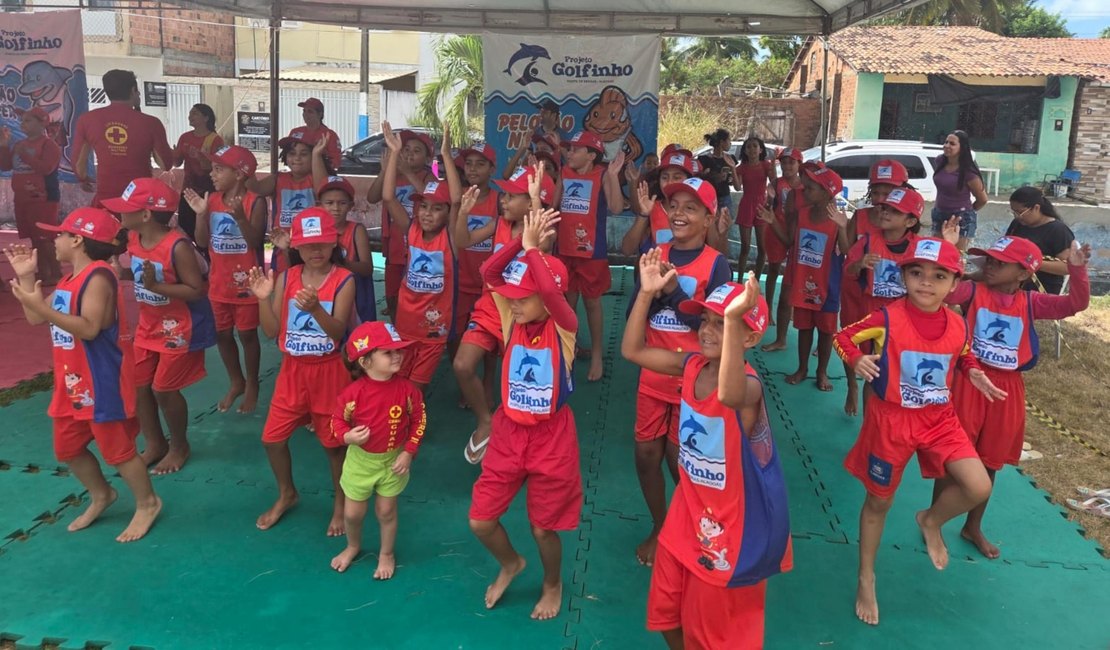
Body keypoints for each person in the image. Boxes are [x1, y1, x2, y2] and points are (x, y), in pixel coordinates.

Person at [833, 237, 1004, 626]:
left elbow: (963, 353)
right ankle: (866, 577)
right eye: (916, 273)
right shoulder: (886, 317)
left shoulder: (958, 323)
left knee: (979, 486)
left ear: (954, 283)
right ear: (904, 276)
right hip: (891, 422)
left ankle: (930, 520)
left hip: (940, 419)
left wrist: (973, 372)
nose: (926, 282)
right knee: (879, 502)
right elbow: (843, 338)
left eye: (939, 276)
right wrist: (856, 359)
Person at [623, 264, 792, 650]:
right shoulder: (691, 365)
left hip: (731, 529)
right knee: (665, 613)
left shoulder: (749, 387)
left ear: (751, 337)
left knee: (711, 634)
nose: (707, 330)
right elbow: (633, 350)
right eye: (705, 320)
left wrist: (732, 321)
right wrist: (646, 292)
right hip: (687, 513)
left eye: (722, 323)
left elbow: (729, 395)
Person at [4, 208, 162, 542]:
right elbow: (36, 318)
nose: (55, 240)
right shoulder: (68, 280)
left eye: (60, 234)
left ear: (77, 240)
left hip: (100, 380)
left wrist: (42, 307)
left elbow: (90, 328)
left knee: (118, 451)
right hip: (72, 381)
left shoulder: (99, 276)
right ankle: (102, 494)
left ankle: (148, 502)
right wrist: (28, 277)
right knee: (67, 449)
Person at [939, 236, 1090, 559]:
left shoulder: (1031, 302)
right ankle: (935, 522)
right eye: (990, 260)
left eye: (1000, 262)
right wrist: (949, 249)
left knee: (990, 459)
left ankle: (972, 526)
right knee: (953, 457)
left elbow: (1075, 305)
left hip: (1006, 389)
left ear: (1023, 273)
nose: (991, 266)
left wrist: (1077, 271)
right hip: (969, 379)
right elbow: (944, 290)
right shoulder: (972, 291)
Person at [469, 209, 582, 621]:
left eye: (523, 297)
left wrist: (534, 252)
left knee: (543, 527)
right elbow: (489, 272)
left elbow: (551, 294)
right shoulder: (510, 318)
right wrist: (522, 243)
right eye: (512, 296)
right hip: (508, 433)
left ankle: (552, 583)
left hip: (552, 438)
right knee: (481, 521)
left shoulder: (563, 327)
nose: (513, 302)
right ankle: (511, 563)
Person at [623, 177, 731, 568]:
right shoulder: (655, 252)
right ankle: (660, 524)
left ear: (708, 218)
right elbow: (636, 314)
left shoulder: (717, 264)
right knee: (645, 455)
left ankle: (693, 526)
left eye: (691, 207)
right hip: (653, 374)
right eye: (674, 205)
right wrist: (651, 291)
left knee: (679, 460)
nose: (679, 213)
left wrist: (671, 292)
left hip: (693, 381)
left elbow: (712, 329)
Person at [248, 208, 355, 534]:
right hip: (292, 372)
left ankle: (340, 504)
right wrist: (262, 299)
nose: (316, 250)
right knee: (272, 439)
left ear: (334, 242)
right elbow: (271, 331)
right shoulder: (288, 277)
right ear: (296, 246)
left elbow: (338, 332)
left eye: (322, 243)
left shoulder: (343, 279)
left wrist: (316, 309)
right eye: (308, 245)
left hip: (329, 371)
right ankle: (287, 493)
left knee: (334, 447)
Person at [104, 178, 216, 476]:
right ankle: (155, 444)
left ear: (145, 215)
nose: (120, 213)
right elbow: (144, 274)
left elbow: (196, 290)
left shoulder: (177, 246)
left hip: (182, 327)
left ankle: (179, 446)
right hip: (149, 325)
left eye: (126, 208)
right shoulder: (134, 238)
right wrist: (124, 273)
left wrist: (157, 286)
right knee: (140, 386)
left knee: (163, 389)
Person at [456, 165, 555, 464]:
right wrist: (462, 213)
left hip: (523, 315)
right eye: (504, 195)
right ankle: (486, 421)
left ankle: (517, 444)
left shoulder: (544, 230)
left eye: (512, 196)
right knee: (462, 365)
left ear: (533, 201)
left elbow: (542, 245)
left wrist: (536, 201)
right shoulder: (499, 223)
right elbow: (463, 241)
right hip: (489, 308)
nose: (503, 200)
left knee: (519, 387)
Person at [329, 320, 427, 579]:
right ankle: (353, 546)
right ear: (365, 361)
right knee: (353, 513)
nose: (397, 356)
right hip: (360, 462)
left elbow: (419, 420)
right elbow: (336, 421)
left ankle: (386, 553)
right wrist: (347, 436)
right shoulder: (352, 394)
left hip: (394, 462)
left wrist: (409, 452)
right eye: (388, 352)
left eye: (398, 350)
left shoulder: (407, 390)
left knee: (386, 511)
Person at [185, 145, 268, 414]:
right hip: (219, 283)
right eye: (213, 168)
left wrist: (241, 218)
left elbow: (255, 241)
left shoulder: (255, 201)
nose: (212, 174)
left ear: (239, 174)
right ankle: (236, 381)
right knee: (222, 334)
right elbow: (201, 241)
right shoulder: (211, 200)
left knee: (247, 335)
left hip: (247, 283)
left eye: (219, 169)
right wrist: (201, 214)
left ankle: (252, 383)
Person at [382, 124, 458, 392]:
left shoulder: (451, 238)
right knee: (399, 381)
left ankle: (413, 419)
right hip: (406, 323)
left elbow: (456, 200)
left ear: (447, 214)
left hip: (434, 328)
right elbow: (388, 197)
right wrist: (394, 154)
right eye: (423, 206)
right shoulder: (411, 228)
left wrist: (446, 155)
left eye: (436, 209)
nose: (427, 213)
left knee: (416, 387)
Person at [761, 162, 849, 392]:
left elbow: (846, 250)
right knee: (804, 328)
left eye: (810, 188)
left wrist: (842, 228)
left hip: (827, 286)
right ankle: (802, 368)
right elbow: (789, 242)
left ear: (827, 192)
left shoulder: (838, 220)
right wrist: (772, 222)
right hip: (803, 283)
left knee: (826, 332)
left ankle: (822, 371)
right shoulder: (801, 215)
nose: (804, 191)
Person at [558, 130, 624, 382]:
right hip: (564, 250)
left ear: (591, 155)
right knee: (567, 303)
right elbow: (553, 206)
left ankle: (597, 355)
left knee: (592, 303)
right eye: (569, 148)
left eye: (576, 149)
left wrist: (614, 176)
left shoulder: (603, 175)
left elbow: (617, 208)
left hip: (592, 251)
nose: (570, 153)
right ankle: (569, 350)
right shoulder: (564, 173)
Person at [72, 69, 173, 207]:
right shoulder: (151, 123)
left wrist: (83, 179)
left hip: (106, 200)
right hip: (139, 201)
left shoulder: (87, 120)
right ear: (133, 90)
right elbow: (166, 164)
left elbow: (79, 166)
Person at [366, 127, 436, 317]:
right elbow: (372, 197)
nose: (409, 154)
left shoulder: (428, 177)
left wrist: (408, 173)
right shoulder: (393, 176)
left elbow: (432, 197)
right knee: (392, 294)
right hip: (395, 244)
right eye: (406, 149)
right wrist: (384, 171)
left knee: (416, 292)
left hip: (420, 244)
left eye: (416, 150)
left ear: (427, 158)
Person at [0, 107, 62, 283]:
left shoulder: (49, 145)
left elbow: (46, 168)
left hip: (43, 199)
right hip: (22, 199)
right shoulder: (19, 144)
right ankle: (43, 272)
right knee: (35, 238)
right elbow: (5, 166)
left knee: (45, 238)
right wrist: (3, 145)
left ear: (42, 123)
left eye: (28, 120)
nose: (23, 124)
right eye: (22, 120)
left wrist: (25, 155)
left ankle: (56, 273)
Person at [253, 130, 325, 274]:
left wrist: (317, 155)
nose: (297, 158)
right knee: (284, 283)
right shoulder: (278, 179)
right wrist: (248, 167)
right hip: (282, 250)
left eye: (304, 154)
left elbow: (323, 189)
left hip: (312, 247)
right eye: (292, 153)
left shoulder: (315, 179)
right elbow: (254, 190)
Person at [315, 173, 376, 323]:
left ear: (350, 205)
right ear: (319, 205)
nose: (335, 208)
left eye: (342, 203)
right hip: (324, 296)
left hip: (355, 298)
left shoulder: (356, 230)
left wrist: (340, 263)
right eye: (329, 203)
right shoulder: (314, 231)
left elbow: (367, 268)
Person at [758, 147, 803, 334]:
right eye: (784, 162)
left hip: (797, 232)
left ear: (799, 164)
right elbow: (767, 207)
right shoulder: (776, 183)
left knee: (795, 272)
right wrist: (768, 200)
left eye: (791, 162)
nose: (787, 166)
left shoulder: (805, 185)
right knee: (774, 269)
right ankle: (768, 306)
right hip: (775, 230)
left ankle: (790, 307)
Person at [1003, 186, 1076, 295]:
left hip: (1041, 288)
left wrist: (1032, 263)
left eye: (1020, 212)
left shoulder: (1058, 230)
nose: (1017, 217)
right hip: (1012, 284)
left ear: (1036, 208)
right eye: (1013, 212)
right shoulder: (1017, 224)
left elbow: (1067, 267)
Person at [173, 103, 223, 244]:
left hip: (208, 190)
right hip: (188, 189)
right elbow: (176, 163)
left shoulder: (214, 139)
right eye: (190, 113)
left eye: (195, 113)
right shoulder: (184, 137)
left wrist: (201, 158)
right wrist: (173, 154)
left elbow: (217, 167)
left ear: (206, 118)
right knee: (185, 227)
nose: (190, 116)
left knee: (206, 228)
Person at [931, 130, 987, 252]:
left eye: (952, 143)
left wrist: (967, 212)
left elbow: (982, 199)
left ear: (962, 147)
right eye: (946, 142)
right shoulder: (940, 161)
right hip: (939, 213)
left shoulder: (969, 172)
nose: (947, 146)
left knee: (956, 255)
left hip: (960, 218)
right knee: (937, 253)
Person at [735, 136, 776, 277]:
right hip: (746, 205)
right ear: (745, 151)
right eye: (748, 146)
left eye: (755, 146)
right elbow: (737, 186)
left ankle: (756, 280)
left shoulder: (766, 165)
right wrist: (732, 169)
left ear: (761, 150)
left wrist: (773, 165)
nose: (752, 149)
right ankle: (739, 280)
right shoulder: (742, 168)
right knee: (745, 247)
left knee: (762, 248)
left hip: (762, 206)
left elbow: (774, 183)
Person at [288, 97, 342, 171]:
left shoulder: (330, 135)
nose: (305, 114)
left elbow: (336, 161)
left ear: (320, 114)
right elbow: (287, 154)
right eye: (304, 111)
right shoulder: (295, 132)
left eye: (310, 111)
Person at [697, 129, 738, 220]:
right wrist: (712, 176)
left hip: (725, 196)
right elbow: (699, 179)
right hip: (709, 197)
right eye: (729, 140)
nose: (730, 143)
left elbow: (736, 185)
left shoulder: (731, 159)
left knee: (725, 223)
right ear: (722, 142)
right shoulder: (704, 159)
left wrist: (732, 173)